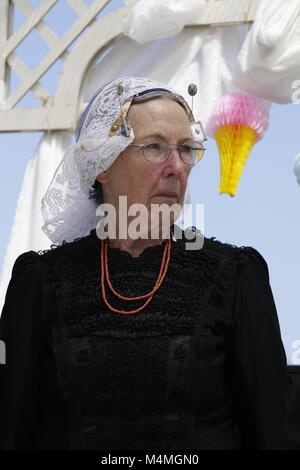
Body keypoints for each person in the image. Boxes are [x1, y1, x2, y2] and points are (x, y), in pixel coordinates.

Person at [0, 76, 296, 450]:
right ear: (101, 164)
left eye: (187, 149)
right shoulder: (41, 283)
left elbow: (274, 436)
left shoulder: (236, 276)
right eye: (155, 147)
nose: (177, 167)